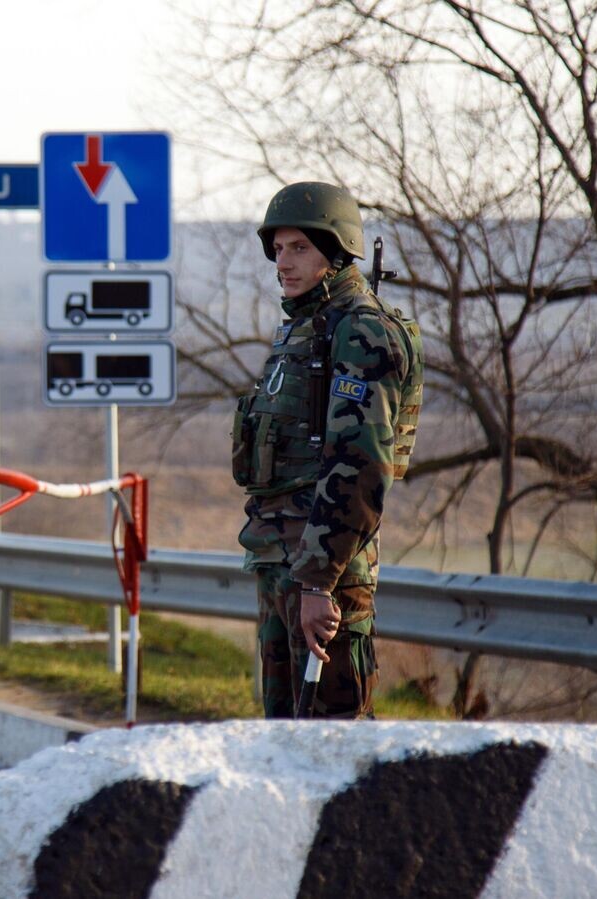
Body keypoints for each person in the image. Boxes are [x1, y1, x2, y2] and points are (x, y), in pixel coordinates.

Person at [231, 182, 424, 719]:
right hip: (282, 563)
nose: (282, 262)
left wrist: (318, 580)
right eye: (278, 248)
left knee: (332, 744)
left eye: (299, 249)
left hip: (324, 574)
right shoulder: (304, 326)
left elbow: (361, 468)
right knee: (283, 743)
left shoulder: (361, 331)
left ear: (336, 252)